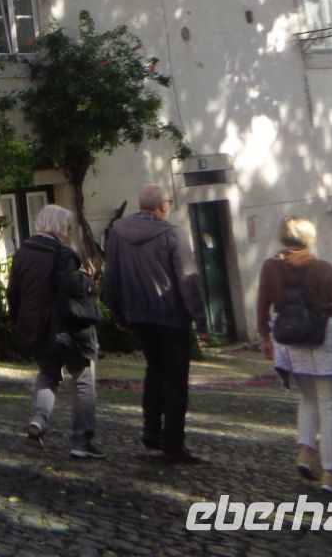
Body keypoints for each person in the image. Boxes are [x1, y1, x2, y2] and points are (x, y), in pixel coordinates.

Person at [255, 216, 332, 493]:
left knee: (307, 397)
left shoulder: (270, 267)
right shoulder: (321, 268)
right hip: (322, 337)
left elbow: (262, 303)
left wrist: (263, 336)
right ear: (308, 237)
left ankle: (305, 450)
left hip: (290, 338)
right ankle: (330, 470)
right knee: (329, 404)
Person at [102, 183, 206, 463]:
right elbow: (188, 279)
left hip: (139, 315)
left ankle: (151, 430)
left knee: (155, 370)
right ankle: (173, 442)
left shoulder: (118, 233)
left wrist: (118, 313)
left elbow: (110, 276)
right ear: (162, 206)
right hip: (171, 316)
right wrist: (200, 319)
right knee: (175, 380)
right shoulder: (172, 234)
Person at [8, 204, 103, 460]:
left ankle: (38, 421)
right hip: (67, 328)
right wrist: (87, 279)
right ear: (59, 227)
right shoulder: (63, 253)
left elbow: (13, 295)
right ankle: (82, 441)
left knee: (48, 374)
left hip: (37, 328)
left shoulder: (22, 254)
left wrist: (18, 323)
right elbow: (73, 286)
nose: (69, 232)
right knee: (83, 380)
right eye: (68, 227)